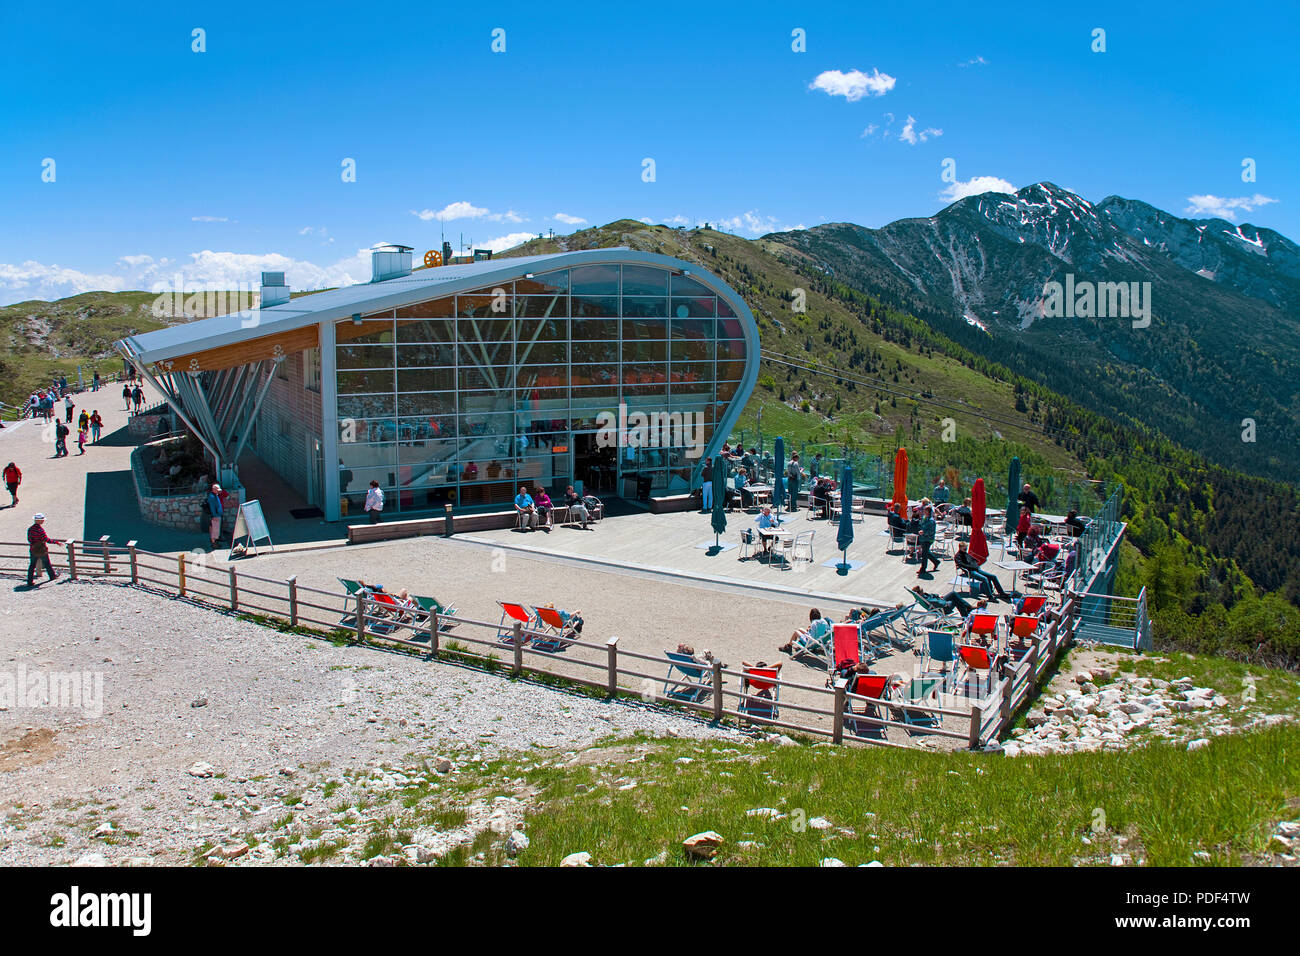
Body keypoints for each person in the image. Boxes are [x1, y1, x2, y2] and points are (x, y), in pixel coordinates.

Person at [26, 514, 62, 588]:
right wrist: (56, 542)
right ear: (39, 520)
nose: (43, 521)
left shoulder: (30, 529)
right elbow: (46, 539)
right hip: (41, 549)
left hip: (33, 549)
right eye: (42, 519)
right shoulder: (40, 530)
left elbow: (29, 540)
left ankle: (29, 581)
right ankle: (52, 576)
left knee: (32, 565)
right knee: (47, 563)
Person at [916, 504, 940, 576]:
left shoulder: (931, 521)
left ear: (929, 512)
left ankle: (923, 569)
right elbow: (921, 526)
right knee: (926, 552)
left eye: (925, 510)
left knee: (924, 554)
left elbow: (931, 531)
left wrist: (924, 532)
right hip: (923, 538)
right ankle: (936, 561)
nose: (924, 511)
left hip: (928, 539)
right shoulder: (924, 518)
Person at [204, 483, 224, 549]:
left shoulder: (214, 495)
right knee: (215, 530)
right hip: (216, 516)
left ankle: (214, 542)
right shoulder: (212, 497)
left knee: (214, 530)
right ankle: (214, 543)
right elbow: (212, 507)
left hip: (216, 515)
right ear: (213, 490)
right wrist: (215, 515)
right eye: (217, 490)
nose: (219, 491)